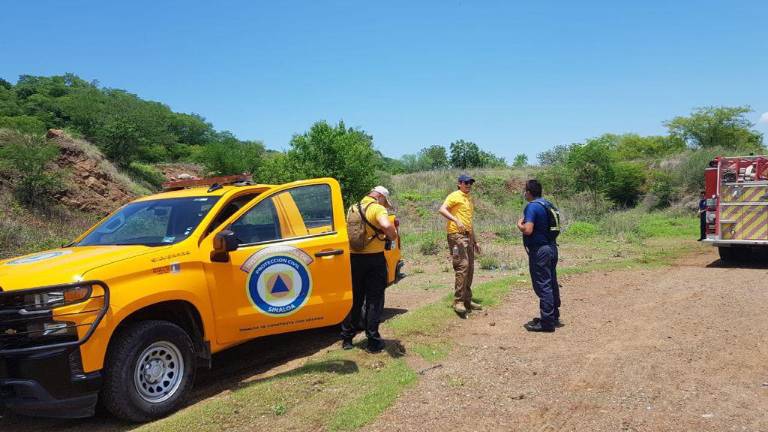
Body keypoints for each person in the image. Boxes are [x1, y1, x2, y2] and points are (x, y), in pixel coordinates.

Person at [341, 186, 398, 353]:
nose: (385, 205)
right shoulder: (377, 208)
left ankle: (347, 339)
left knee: (355, 299)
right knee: (374, 300)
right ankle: (373, 341)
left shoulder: (352, 207)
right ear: (380, 197)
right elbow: (386, 225)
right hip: (374, 260)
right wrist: (392, 235)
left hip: (353, 259)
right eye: (385, 201)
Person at [517, 179, 560, 332]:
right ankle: (553, 316)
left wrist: (519, 225)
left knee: (543, 285)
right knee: (551, 282)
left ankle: (547, 322)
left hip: (540, 251)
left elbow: (528, 229)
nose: (524, 193)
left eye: (525, 190)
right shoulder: (547, 204)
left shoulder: (532, 207)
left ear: (529, 192)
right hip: (552, 248)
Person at [439, 174, 482, 316]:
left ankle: (467, 300)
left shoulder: (469, 199)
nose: (469, 185)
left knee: (470, 268)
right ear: (459, 183)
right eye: (466, 182)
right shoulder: (454, 196)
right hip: (456, 235)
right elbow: (442, 209)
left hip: (468, 236)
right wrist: (455, 220)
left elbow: (469, 222)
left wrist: (475, 240)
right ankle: (458, 301)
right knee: (462, 266)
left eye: (470, 183)